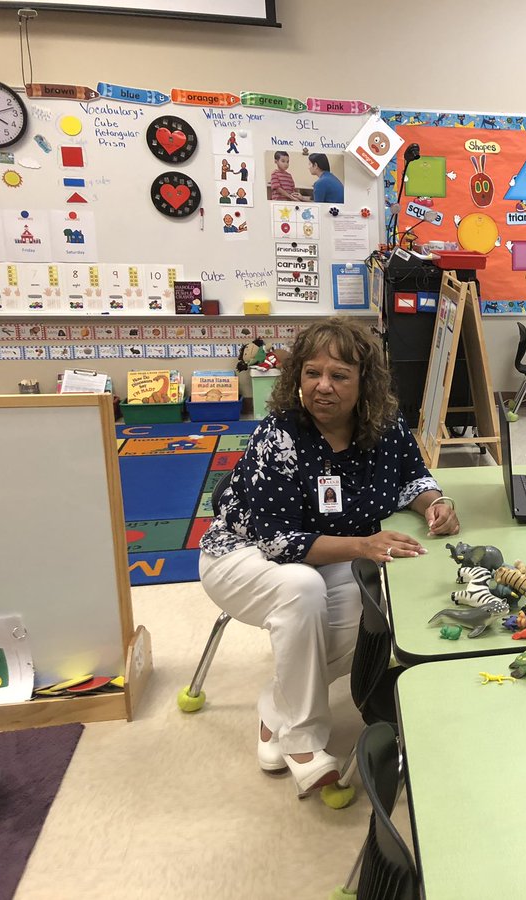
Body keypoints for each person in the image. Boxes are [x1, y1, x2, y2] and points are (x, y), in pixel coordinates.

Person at [199, 316, 460, 798]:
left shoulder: (385, 427)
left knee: (381, 605)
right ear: (296, 378)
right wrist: (364, 545)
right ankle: (301, 740)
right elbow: (278, 541)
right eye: (312, 373)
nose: (323, 386)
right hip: (242, 556)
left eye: (339, 375)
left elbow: (413, 477)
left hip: (325, 559)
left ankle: (276, 707)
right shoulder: (278, 435)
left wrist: (435, 504)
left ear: (365, 382)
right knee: (303, 590)